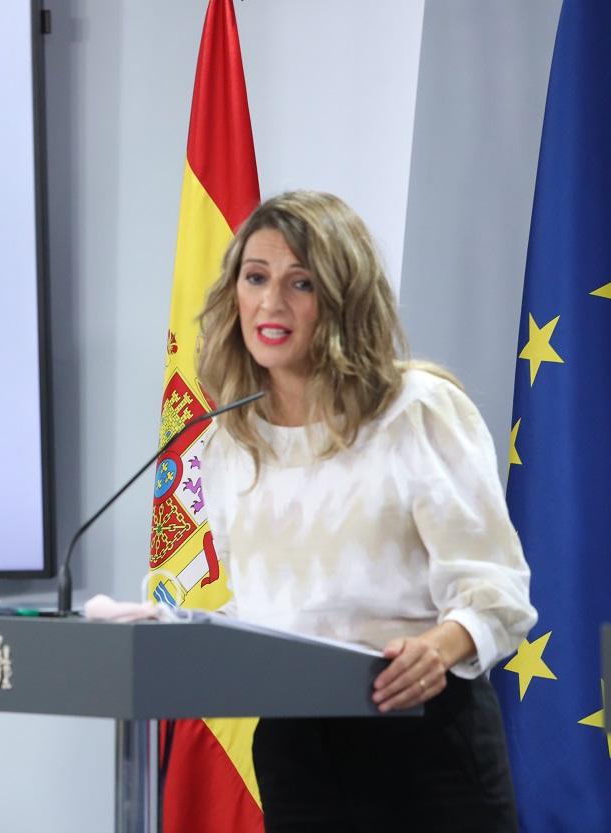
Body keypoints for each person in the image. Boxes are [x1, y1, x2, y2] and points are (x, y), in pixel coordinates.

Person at [195, 190, 536, 832]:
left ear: (343, 297)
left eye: (302, 283)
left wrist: (438, 648)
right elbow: (266, 605)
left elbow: (498, 590)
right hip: (295, 751)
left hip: (419, 740)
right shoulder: (229, 441)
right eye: (256, 277)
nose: (271, 303)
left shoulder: (416, 411)